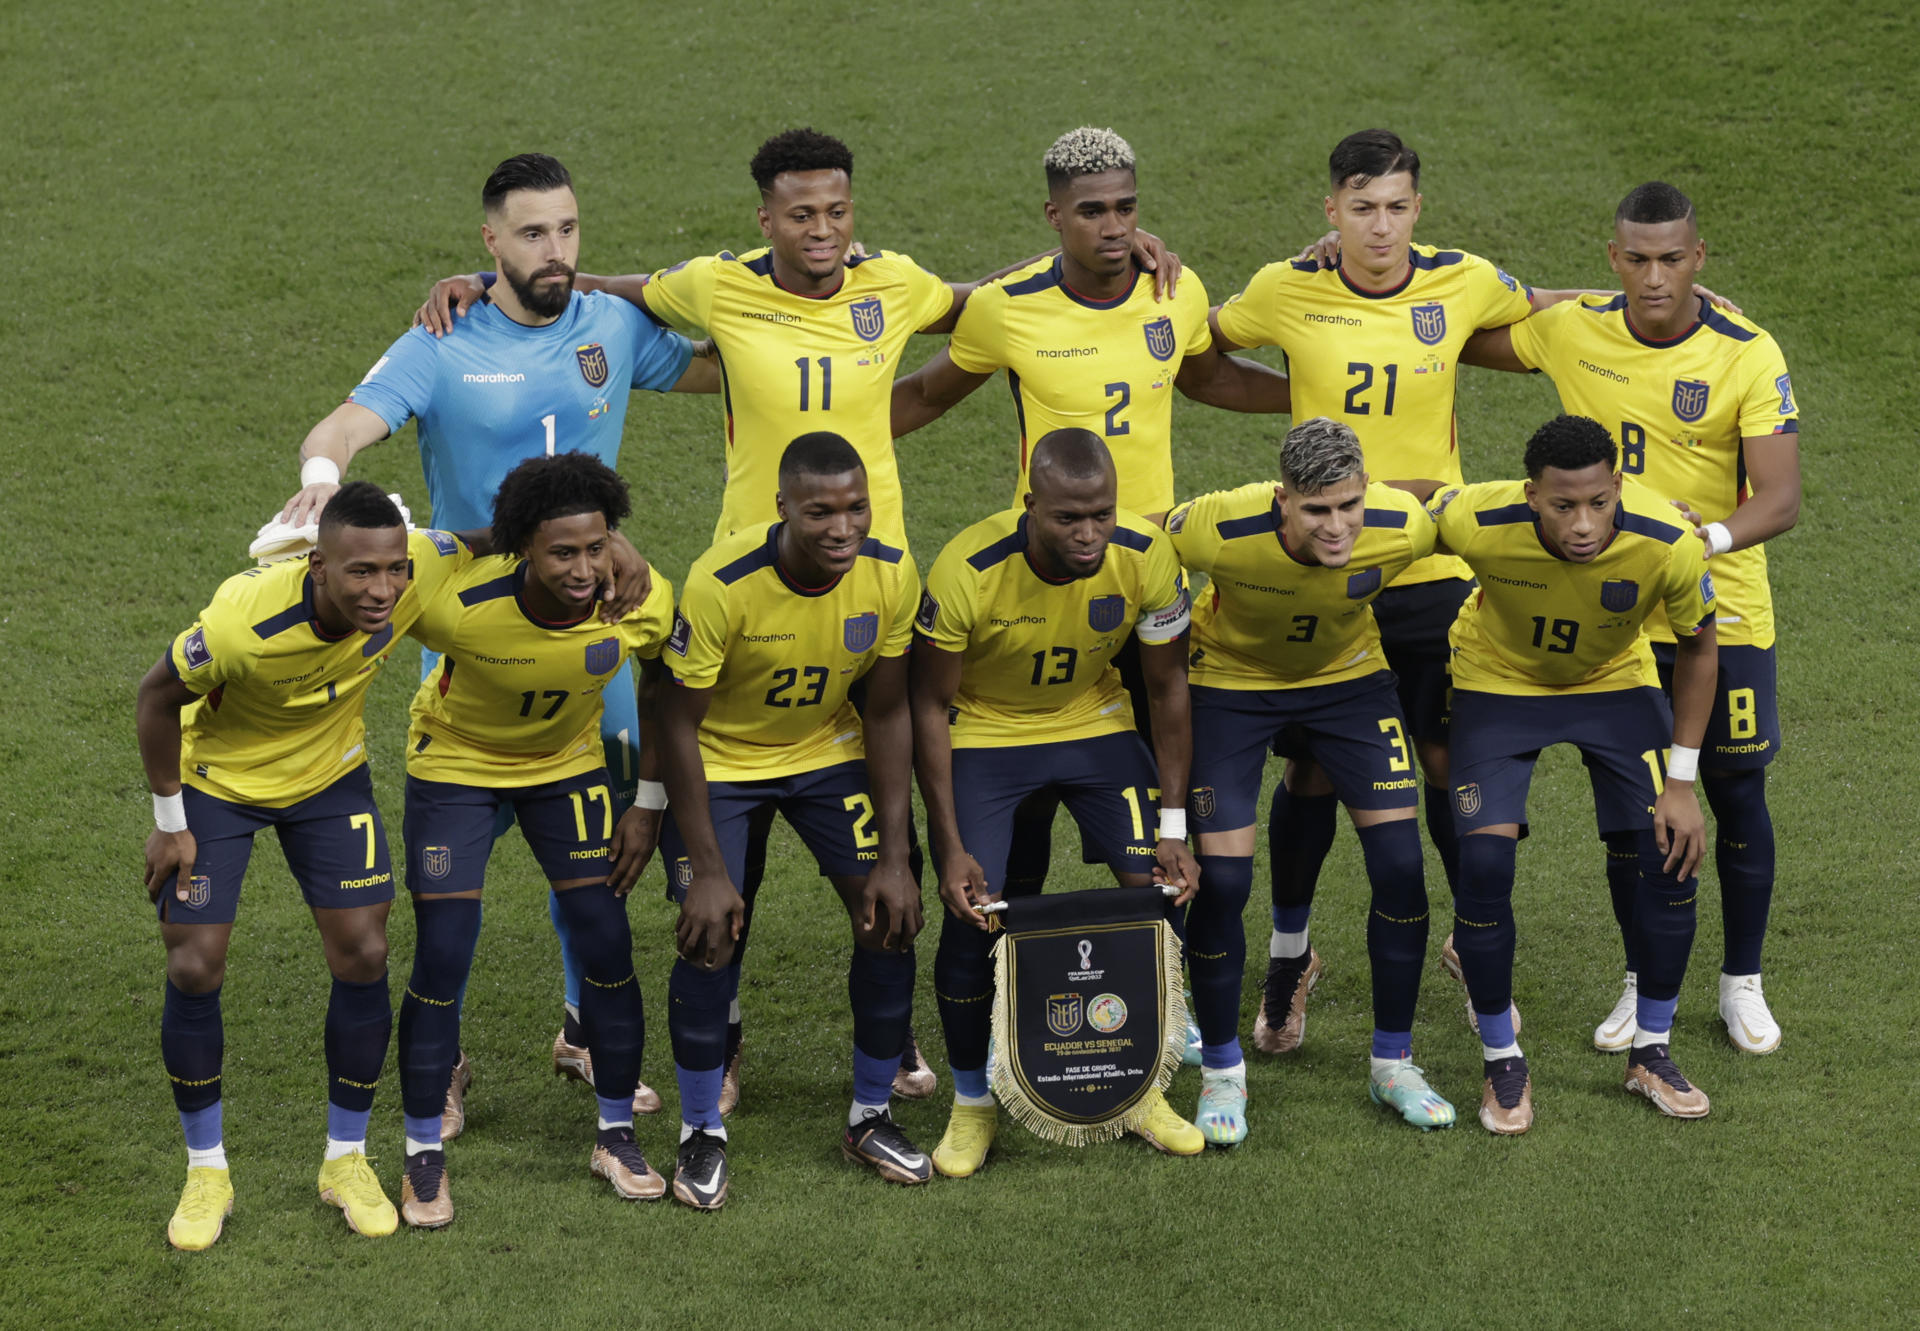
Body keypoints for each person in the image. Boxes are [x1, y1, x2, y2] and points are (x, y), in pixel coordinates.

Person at [280, 152, 715, 1122]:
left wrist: (813, 302)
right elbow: (352, 420)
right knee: (453, 884)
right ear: (488, 242)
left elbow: (717, 370)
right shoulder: (443, 337)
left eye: (566, 229)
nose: (553, 250)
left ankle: (579, 1026)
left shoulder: (610, 325)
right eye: (530, 233)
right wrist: (321, 471)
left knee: (598, 850)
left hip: (588, 625)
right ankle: (446, 1054)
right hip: (472, 634)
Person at [1209, 129, 1609, 1039]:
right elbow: (1197, 350)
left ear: (1418, 208)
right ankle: (1289, 954)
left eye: (1395, 206)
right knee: (1311, 769)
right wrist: (1303, 393)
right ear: (1331, 212)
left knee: (1442, 763)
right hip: (1328, 569)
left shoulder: (1463, 280)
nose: (1379, 226)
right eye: (1361, 208)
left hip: (1430, 571)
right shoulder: (1286, 287)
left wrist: (1654, 297)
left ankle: (1471, 944)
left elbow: (1550, 309)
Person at [1461, 181, 1799, 1054]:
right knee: (1636, 811)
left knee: (1733, 789)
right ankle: (1643, 979)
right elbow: (1448, 328)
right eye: (1638, 260)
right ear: (1613, 260)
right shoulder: (1574, 328)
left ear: (1699, 259)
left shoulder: (1747, 351)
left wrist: (1706, 535)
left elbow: (1782, 497)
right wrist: (1339, 268)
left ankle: (1741, 981)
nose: (1656, 278)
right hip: (1614, 614)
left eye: (1673, 259)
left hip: (1723, 604)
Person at [136, 484, 472, 1249]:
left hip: (328, 780)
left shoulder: (419, 563)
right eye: (359, 572)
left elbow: (497, 536)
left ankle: (345, 1158)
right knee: (194, 962)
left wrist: (606, 543)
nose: (381, 589)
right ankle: (206, 1170)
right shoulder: (242, 619)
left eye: (392, 570)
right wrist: (169, 822)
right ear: (318, 565)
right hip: (219, 784)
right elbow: (155, 699)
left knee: (365, 950)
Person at [392, 453, 675, 1227]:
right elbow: (394, 556)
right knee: (444, 947)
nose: (585, 568)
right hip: (455, 765)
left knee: (606, 939)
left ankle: (615, 1134)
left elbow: (668, 683)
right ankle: (423, 1150)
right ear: (521, 547)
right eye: (561, 552)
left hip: (564, 767)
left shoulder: (635, 600)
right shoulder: (453, 603)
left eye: (596, 546)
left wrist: (648, 801)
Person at [911, 429, 1202, 1175]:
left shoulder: (1145, 553)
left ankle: (1140, 1084)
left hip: (1094, 723)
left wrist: (1173, 825)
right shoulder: (967, 569)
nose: (1089, 533)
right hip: (987, 732)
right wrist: (950, 847)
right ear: (1030, 504)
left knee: (1160, 891)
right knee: (974, 909)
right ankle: (974, 1100)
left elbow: (1168, 687)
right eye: (1069, 518)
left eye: (1100, 514)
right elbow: (929, 711)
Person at [653, 433, 924, 1209]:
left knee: (891, 915)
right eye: (821, 512)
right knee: (710, 937)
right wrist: (706, 871)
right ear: (782, 509)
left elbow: (888, 705)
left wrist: (897, 853)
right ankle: (700, 1130)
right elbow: (677, 725)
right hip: (722, 759)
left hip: (824, 749)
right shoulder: (721, 583)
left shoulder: (891, 571)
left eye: (855, 508)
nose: (843, 528)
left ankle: (870, 1115)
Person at [1169, 417, 1457, 1141]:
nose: (1338, 527)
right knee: (1225, 882)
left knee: (1399, 869)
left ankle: (1393, 1062)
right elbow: (1139, 539)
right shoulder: (1218, 527)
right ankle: (1223, 1072)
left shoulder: (1403, 526)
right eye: (1317, 509)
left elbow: (1485, 512)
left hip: (1349, 684)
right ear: (1281, 500)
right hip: (1231, 687)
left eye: (1349, 505)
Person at [1430, 415, 1718, 1134]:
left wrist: (1680, 783)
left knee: (1669, 854)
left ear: (1618, 486)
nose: (1583, 523)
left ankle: (1651, 1049)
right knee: (1484, 862)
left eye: (1598, 502)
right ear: (1530, 496)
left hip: (1614, 684)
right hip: (1498, 685)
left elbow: (1701, 648)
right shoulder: (1478, 516)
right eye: (1562, 506)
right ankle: (1502, 1059)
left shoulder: (1668, 541)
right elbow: (1408, 503)